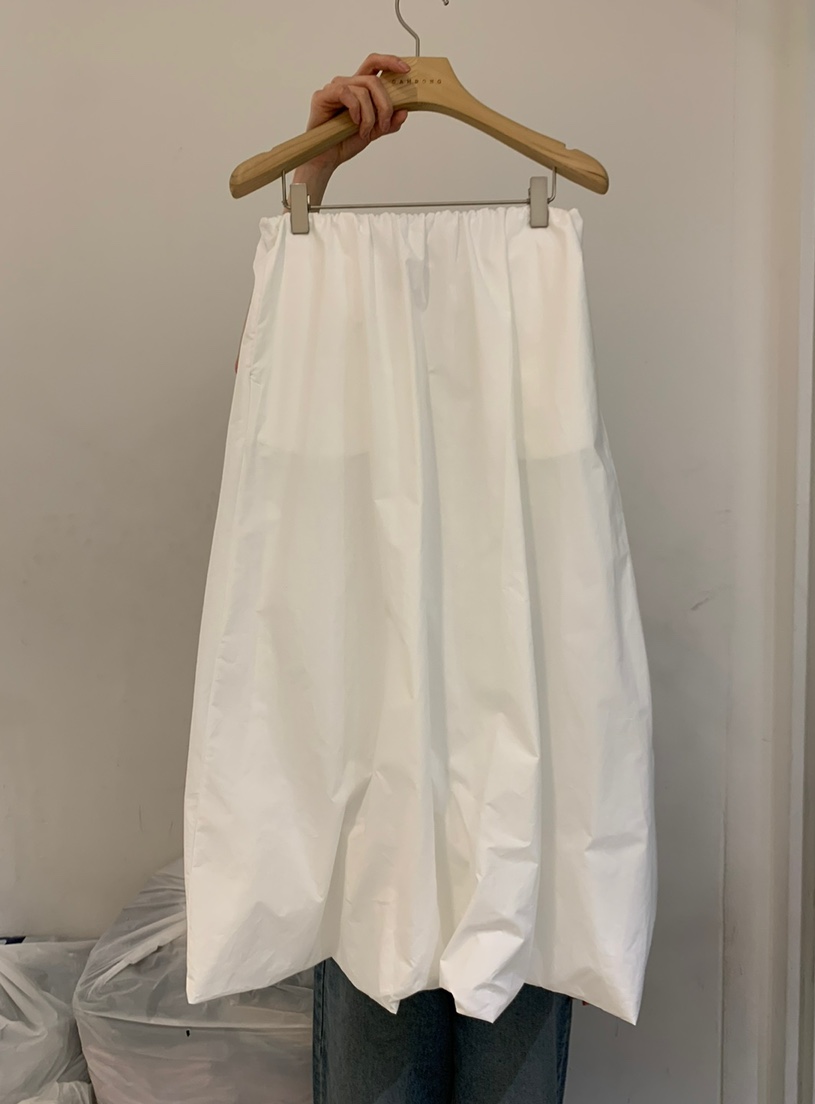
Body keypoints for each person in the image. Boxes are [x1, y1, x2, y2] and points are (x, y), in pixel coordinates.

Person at [238, 53, 574, 1104]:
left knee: (508, 1035)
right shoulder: (329, 342)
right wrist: (313, 183)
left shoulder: (538, 296)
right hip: (373, 782)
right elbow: (283, 453)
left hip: (513, 776)